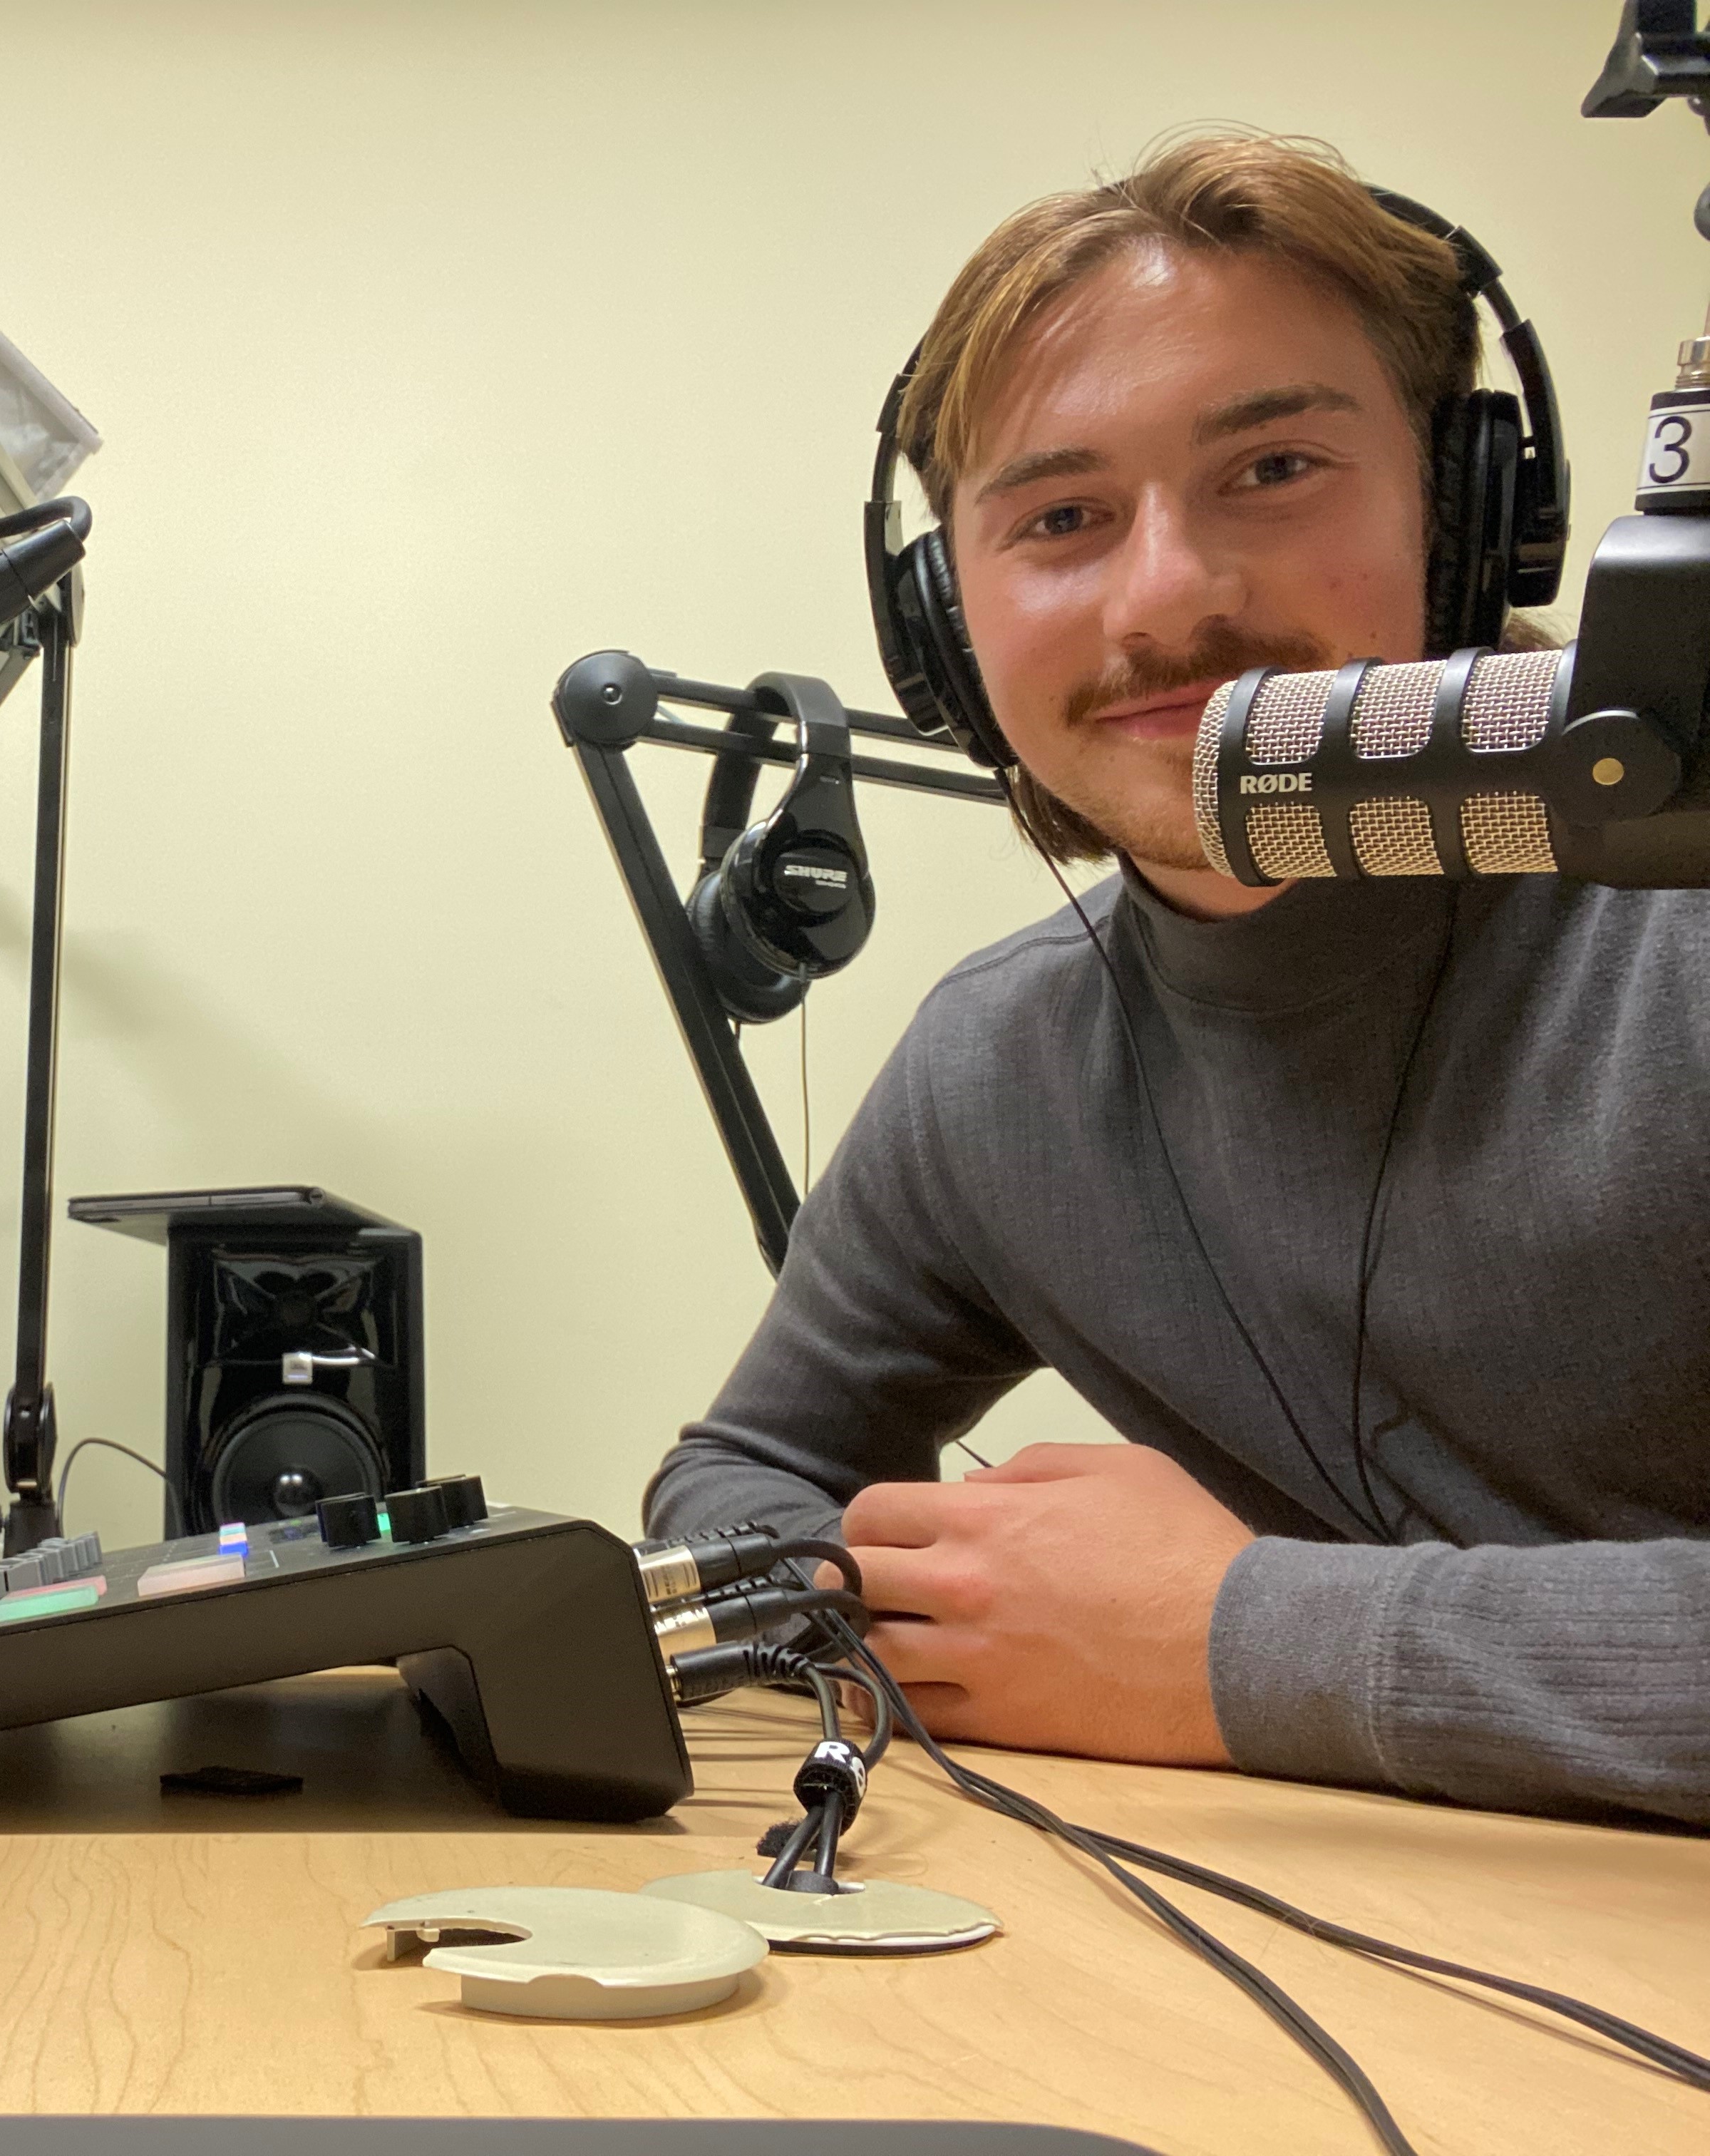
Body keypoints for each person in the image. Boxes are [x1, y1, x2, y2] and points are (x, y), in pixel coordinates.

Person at [645, 132, 1710, 1829]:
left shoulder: (1686, 933)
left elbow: (1228, 1646)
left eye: (1275, 468)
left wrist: (1231, 1638)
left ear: (1472, 514)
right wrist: (957, 1607)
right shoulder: (1002, 1064)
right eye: (1061, 517)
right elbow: (742, 1474)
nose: (1169, 595)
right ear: (943, 631)